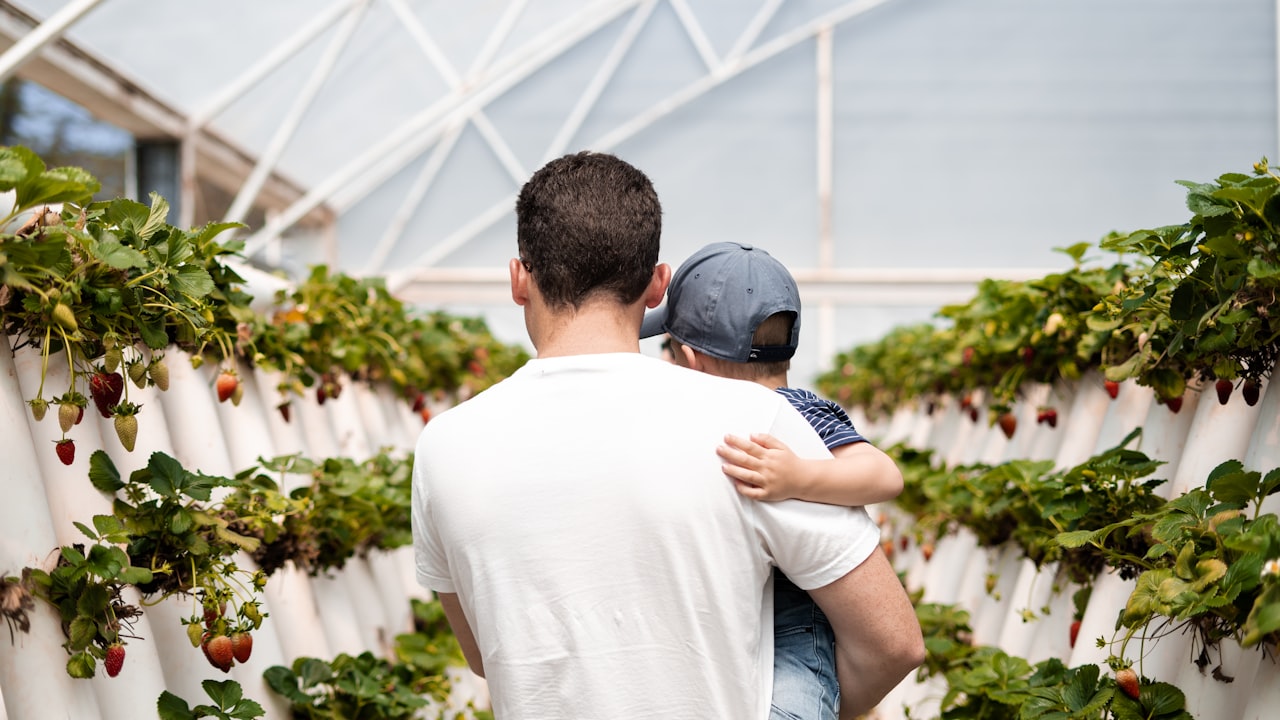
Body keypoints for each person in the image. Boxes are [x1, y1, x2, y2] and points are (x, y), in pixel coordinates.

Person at [411, 151, 924, 719]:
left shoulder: (443, 446)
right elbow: (894, 643)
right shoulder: (755, 427)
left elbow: (486, 653)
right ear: (658, 285)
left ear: (517, 279)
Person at [640, 241, 905, 720]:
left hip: (797, 627)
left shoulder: (802, 417)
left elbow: (884, 475)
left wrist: (799, 476)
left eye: (671, 353)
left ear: (691, 360)